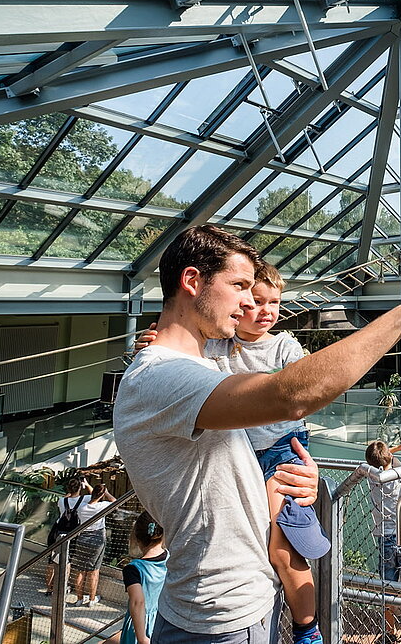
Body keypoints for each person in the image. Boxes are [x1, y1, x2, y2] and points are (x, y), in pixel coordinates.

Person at [114, 225, 401, 644]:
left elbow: (215, 478)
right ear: (192, 281)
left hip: (233, 604)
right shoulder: (161, 376)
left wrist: (279, 481)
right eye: (238, 285)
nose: (247, 299)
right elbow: (291, 394)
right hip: (221, 617)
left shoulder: (195, 368)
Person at [136, 261, 328, 644]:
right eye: (255, 301)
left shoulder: (284, 345)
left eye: (274, 302)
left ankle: (308, 629)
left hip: (281, 451)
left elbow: (306, 381)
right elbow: (180, 352)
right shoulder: (216, 345)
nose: (265, 311)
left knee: (284, 545)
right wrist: (152, 341)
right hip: (242, 454)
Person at [365, 440, 401, 644]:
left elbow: (375, 462)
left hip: (384, 537)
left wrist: (391, 451)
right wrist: (393, 453)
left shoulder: (372, 477)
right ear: (389, 457)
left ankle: (390, 633)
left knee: (387, 588)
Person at [118, 511, 168, 644]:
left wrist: (141, 638)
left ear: (137, 538)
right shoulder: (170, 559)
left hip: (140, 625)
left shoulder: (133, 569)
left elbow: (137, 602)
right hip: (163, 620)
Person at [69, 479, 116, 606]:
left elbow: (91, 496)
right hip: (97, 539)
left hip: (82, 537)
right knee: (94, 571)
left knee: (80, 570)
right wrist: (105, 493)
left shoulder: (81, 506)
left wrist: (89, 487)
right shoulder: (102, 506)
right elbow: (114, 501)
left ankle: (79, 599)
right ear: (101, 495)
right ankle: (91, 599)